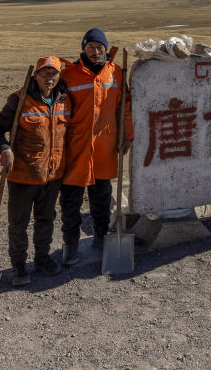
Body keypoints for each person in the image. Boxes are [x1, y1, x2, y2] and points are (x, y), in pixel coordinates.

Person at [0, 56, 70, 284]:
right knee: (18, 224)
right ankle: (19, 267)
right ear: (36, 75)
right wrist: (5, 149)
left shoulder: (65, 99)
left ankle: (42, 260)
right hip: (23, 175)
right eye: (45, 73)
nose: (49, 77)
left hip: (53, 174)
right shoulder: (19, 99)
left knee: (46, 219)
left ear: (59, 75)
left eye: (53, 73)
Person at [58, 28, 133, 266]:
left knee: (102, 196)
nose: (96, 51)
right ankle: (70, 245)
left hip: (105, 146)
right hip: (76, 147)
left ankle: (101, 238)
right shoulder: (68, 75)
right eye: (91, 47)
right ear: (83, 48)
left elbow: (125, 106)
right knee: (71, 199)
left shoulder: (116, 73)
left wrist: (127, 133)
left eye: (100, 47)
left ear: (105, 49)